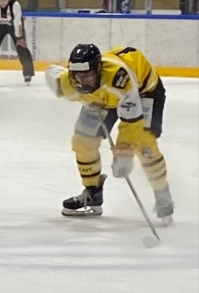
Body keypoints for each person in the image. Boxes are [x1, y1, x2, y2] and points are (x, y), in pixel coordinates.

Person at [45, 44, 174, 224]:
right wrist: (93, 98)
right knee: (83, 141)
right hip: (104, 96)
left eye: (88, 75)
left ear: (99, 69)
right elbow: (52, 73)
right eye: (78, 76)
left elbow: (132, 121)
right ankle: (93, 193)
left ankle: (163, 195)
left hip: (144, 90)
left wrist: (123, 154)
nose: (83, 82)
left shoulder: (120, 82)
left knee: (144, 143)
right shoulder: (66, 83)